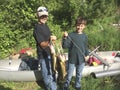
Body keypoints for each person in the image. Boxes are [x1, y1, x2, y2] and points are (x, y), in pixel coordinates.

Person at [62, 17, 89, 90]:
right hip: (72, 59)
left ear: (84, 26)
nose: (79, 27)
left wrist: (87, 55)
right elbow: (65, 46)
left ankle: (77, 85)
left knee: (79, 74)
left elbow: (86, 47)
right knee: (69, 74)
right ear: (75, 25)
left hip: (81, 59)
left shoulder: (85, 36)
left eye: (81, 26)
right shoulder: (70, 35)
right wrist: (64, 38)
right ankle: (66, 85)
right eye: (78, 25)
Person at [33, 6, 57, 90]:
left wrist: (52, 40)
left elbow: (48, 38)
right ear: (38, 16)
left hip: (50, 53)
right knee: (46, 74)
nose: (44, 18)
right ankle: (50, 88)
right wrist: (51, 41)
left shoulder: (46, 26)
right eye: (42, 16)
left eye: (45, 16)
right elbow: (42, 44)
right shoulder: (37, 28)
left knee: (52, 72)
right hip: (43, 55)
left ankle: (54, 87)